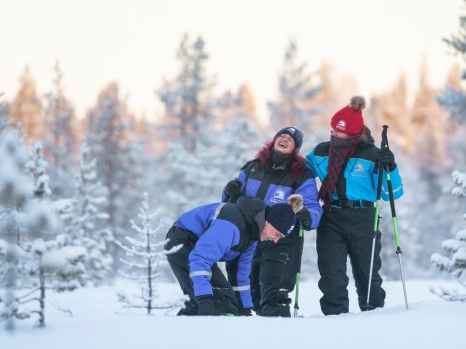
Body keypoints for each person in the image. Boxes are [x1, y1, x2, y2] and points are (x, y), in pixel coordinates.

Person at [305, 96, 404, 315]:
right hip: (331, 216)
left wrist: (391, 167)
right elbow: (300, 174)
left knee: (367, 274)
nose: (332, 133)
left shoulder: (372, 155)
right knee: (331, 275)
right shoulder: (322, 152)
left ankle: (373, 314)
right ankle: (334, 317)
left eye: (337, 130)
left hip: (364, 218)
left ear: (352, 133)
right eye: (332, 129)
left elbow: (392, 193)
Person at [222, 126, 322, 317]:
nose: (284, 139)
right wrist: (228, 191)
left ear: (295, 149)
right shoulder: (252, 167)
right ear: (274, 140)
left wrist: (308, 216)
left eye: (290, 139)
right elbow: (228, 201)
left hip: (281, 241)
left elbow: (312, 207)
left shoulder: (301, 175)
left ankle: (281, 337)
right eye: (281, 135)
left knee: (273, 292)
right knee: (249, 295)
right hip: (250, 238)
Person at [165, 193, 303, 316]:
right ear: (268, 222)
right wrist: (204, 299)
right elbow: (200, 258)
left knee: (226, 303)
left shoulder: (252, 236)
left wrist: (244, 308)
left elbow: (240, 274)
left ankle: (187, 326)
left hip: (197, 248)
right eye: (277, 234)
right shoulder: (231, 225)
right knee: (218, 303)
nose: (276, 240)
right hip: (182, 241)